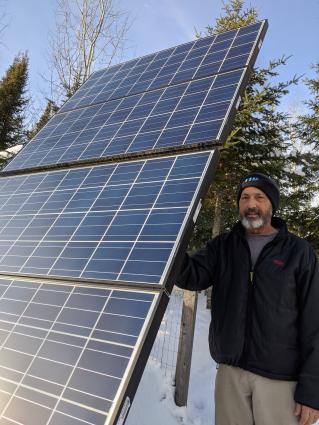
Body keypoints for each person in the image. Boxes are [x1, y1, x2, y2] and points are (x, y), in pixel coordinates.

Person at [176, 172, 319, 425]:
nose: (251, 204)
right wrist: (167, 242)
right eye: (244, 197)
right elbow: (191, 275)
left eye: (259, 197)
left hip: (280, 380)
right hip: (231, 373)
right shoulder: (223, 246)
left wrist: (312, 391)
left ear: (271, 204)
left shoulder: (298, 252)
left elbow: (314, 322)